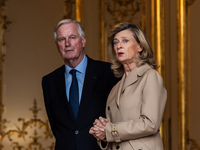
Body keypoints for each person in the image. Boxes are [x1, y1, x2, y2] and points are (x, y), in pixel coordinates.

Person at [42, 19, 119, 150]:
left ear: (83, 41)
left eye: (72, 37)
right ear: (57, 46)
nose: (67, 44)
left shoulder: (108, 73)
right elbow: (57, 128)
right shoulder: (49, 82)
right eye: (62, 39)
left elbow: (118, 118)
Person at [89, 22, 167, 150]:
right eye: (116, 42)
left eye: (125, 41)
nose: (119, 46)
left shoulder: (150, 77)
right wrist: (102, 134)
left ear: (140, 47)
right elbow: (114, 135)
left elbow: (150, 124)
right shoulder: (115, 89)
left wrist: (110, 130)